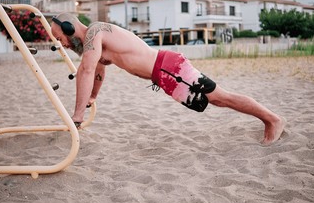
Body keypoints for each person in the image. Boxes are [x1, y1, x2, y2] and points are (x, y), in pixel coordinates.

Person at [51, 13, 285, 145]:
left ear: (69, 27)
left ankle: (272, 120)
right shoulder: (96, 43)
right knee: (213, 101)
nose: (59, 42)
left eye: (58, 36)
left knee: (220, 98)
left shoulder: (95, 32)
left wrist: (78, 114)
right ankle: (269, 119)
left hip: (170, 68)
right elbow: (99, 70)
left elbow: (87, 70)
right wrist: (93, 96)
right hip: (165, 76)